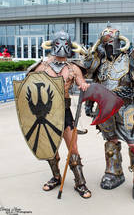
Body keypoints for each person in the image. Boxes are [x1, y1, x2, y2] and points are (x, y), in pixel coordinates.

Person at [73, 23, 134, 202]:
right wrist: (90, 104)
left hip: (126, 106)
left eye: (111, 42)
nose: (108, 46)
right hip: (105, 107)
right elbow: (94, 82)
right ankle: (114, 172)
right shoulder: (100, 62)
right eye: (104, 43)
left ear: (119, 42)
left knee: (132, 142)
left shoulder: (129, 58)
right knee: (110, 140)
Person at [28, 31, 91, 198]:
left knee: (73, 148)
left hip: (65, 112)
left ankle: (80, 183)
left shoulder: (73, 67)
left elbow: (82, 83)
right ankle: (56, 177)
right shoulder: (42, 66)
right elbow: (28, 84)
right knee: (50, 149)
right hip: (46, 113)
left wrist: (84, 85)